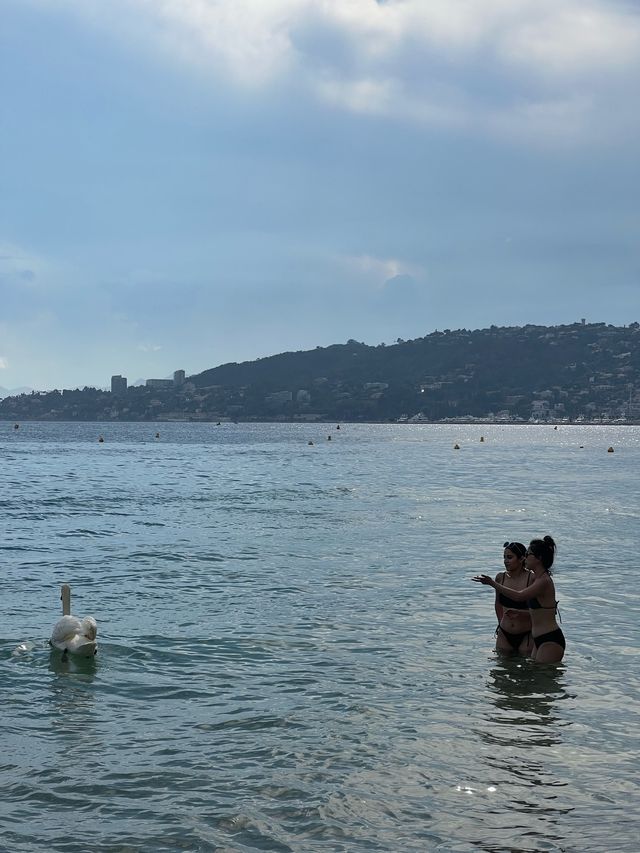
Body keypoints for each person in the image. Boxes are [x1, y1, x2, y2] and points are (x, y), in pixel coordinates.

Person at [473, 536, 565, 664]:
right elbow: (538, 611)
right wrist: (518, 614)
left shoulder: (543, 581)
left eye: (528, 554)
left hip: (549, 638)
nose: (525, 557)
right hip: (538, 638)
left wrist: (492, 583)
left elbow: (519, 596)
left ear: (539, 558)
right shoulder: (539, 579)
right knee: (533, 678)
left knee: (543, 679)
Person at [493, 542, 533, 656]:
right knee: (501, 669)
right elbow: (498, 603)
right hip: (504, 633)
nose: (506, 561)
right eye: (504, 557)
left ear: (521, 559)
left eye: (510, 557)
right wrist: (500, 623)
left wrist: (520, 613)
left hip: (527, 633)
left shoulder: (531, 578)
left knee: (526, 669)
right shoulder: (500, 577)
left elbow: (540, 610)